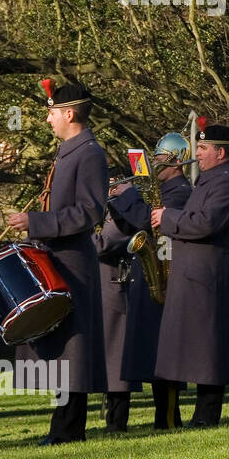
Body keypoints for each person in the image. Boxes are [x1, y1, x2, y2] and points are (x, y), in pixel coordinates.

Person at [8, 79, 108, 444]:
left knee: (73, 351)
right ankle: (62, 427)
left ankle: (68, 430)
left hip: (72, 263)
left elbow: (88, 212)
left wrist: (36, 221)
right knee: (63, 351)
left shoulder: (90, 153)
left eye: (51, 112)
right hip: (55, 258)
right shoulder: (70, 150)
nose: (48, 119)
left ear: (69, 113)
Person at [150, 121, 229, 427]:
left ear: (220, 153)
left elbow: (205, 223)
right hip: (192, 272)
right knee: (196, 344)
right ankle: (192, 416)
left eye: (203, 148)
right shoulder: (209, 180)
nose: (198, 154)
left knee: (209, 346)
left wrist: (167, 217)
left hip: (207, 273)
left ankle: (206, 416)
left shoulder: (227, 182)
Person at [117, 135, 193, 429]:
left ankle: (169, 418)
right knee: (152, 353)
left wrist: (126, 195)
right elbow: (133, 224)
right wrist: (117, 199)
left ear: (175, 161)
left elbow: (148, 220)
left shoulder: (179, 191)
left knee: (164, 353)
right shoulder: (163, 190)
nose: (154, 164)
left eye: (160, 159)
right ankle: (163, 417)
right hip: (150, 275)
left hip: (165, 281)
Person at [93, 170, 142, 432]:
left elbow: (102, 244)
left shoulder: (122, 214)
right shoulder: (107, 210)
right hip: (98, 292)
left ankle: (117, 422)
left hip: (114, 291)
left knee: (116, 361)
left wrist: (74, 231)